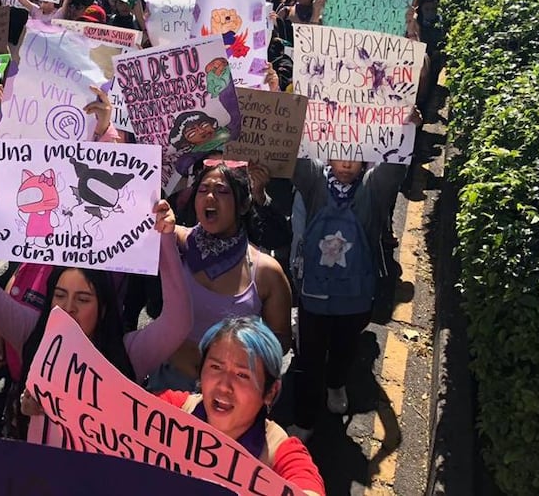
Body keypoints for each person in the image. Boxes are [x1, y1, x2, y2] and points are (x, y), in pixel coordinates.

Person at [0, 190, 192, 442]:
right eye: (59, 295)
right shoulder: (32, 331)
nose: (67, 307)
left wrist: (165, 240)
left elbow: (177, 322)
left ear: (103, 308)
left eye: (83, 299)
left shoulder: (128, 352)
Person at [288, 157, 408, 441]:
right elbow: (293, 158)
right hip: (314, 294)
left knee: (345, 347)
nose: (346, 165)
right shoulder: (315, 180)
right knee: (310, 358)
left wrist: (406, 129)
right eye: (340, 156)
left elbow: (395, 170)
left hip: (355, 296)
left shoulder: (372, 187)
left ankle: (337, 383)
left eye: (355, 158)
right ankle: (305, 421)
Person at [153, 162, 293, 392]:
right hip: (169, 386)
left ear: (243, 205)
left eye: (222, 191)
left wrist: (233, 355)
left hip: (228, 395)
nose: (210, 197)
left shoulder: (267, 272)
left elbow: (281, 342)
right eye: (203, 190)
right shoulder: (174, 238)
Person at [159, 317, 325, 495]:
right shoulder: (170, 410)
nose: (224, 386)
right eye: (216, 367)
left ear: (270, 392)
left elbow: (307, 486)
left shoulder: (280, 455)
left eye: (242, 375)